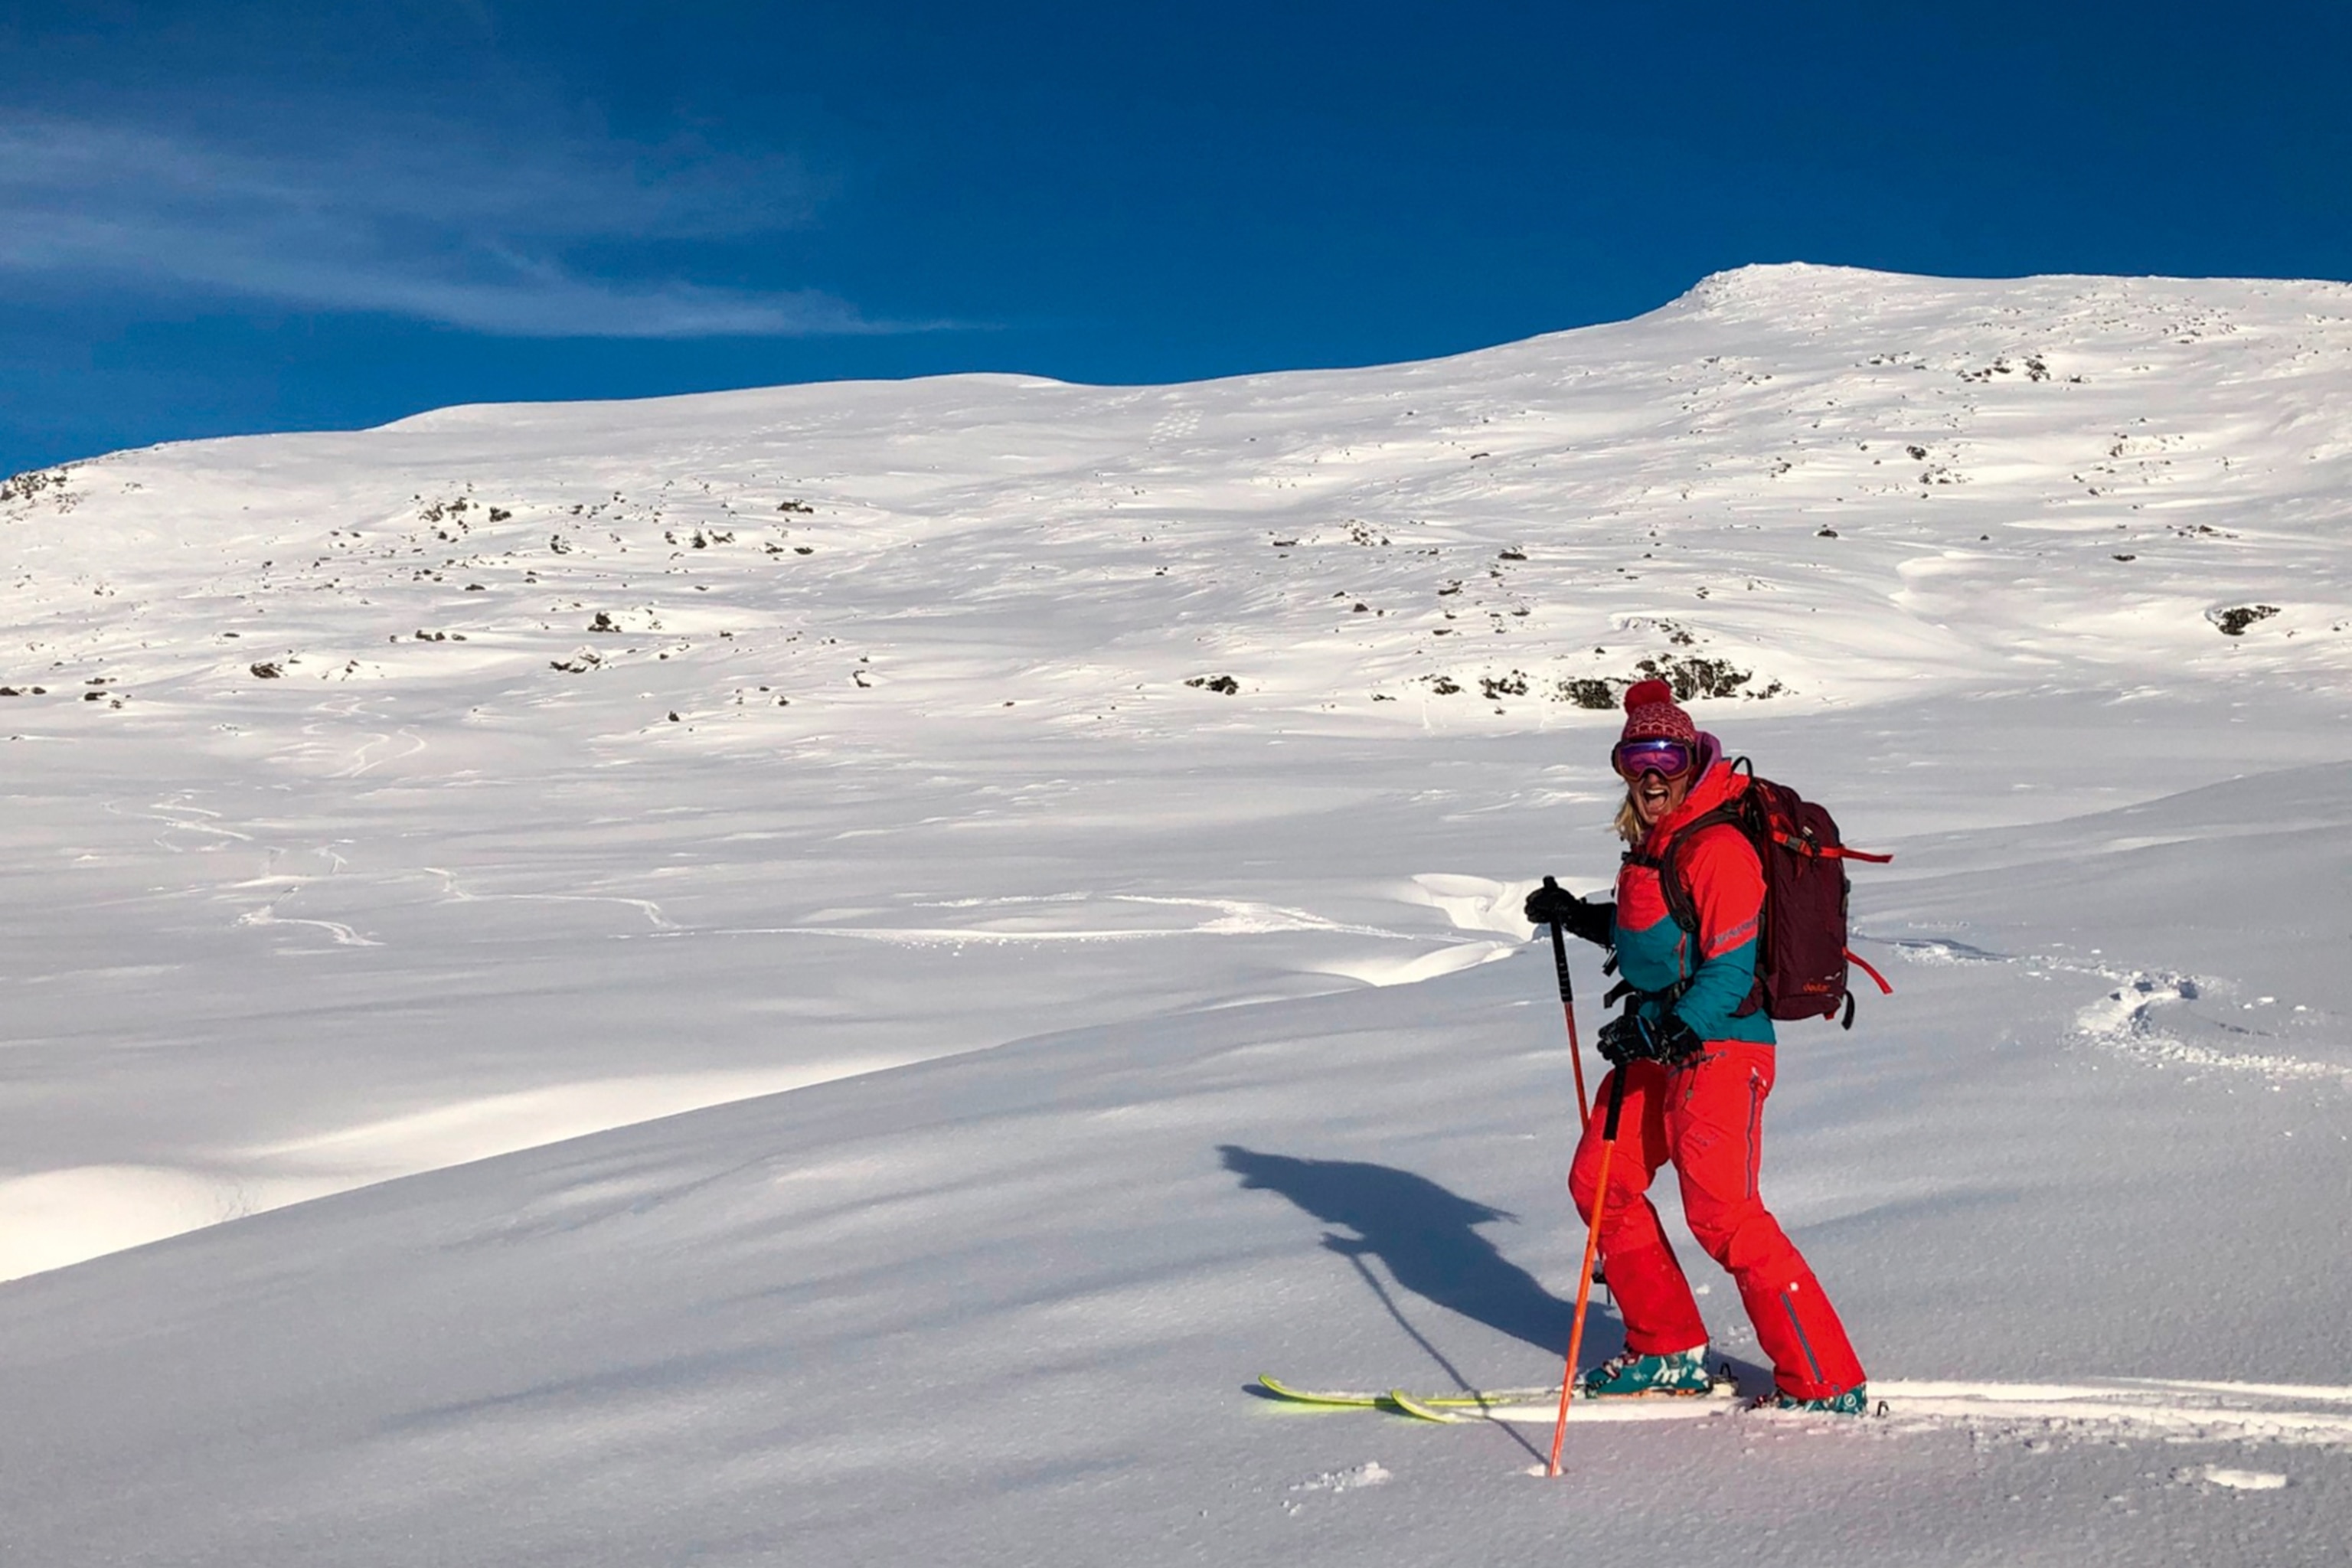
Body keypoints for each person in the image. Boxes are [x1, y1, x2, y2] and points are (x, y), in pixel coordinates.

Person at [1524, 678, 1868, 1415]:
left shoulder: (1718, 846)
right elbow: (1657, 934)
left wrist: (1653, 1028)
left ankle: (1825, 1378)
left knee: (1725, 1215)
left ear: (1693, 759)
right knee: (1601, 1183)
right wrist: (1580, 919)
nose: (1650, 776)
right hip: (1655, 1042)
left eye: (1665, 757)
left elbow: (1728, 968)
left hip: (1720, 1047)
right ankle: (1665, 1347)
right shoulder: (1659, 842)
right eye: (1635, 758)